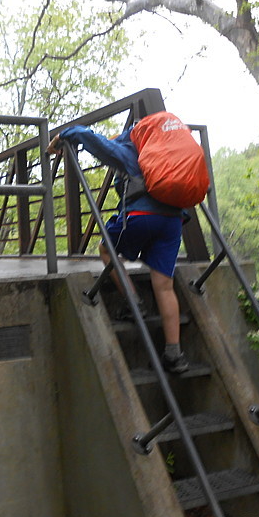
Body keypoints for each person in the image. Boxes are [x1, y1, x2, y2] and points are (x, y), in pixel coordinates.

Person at [47, 123, 189, 374]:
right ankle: (174, 355)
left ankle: (135, 303)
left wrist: (61, 137)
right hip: (173, 221)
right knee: (164, 286)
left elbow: (87, 137)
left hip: (141, 215)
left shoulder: (130, 150)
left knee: (106, 248)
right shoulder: (166, 156)